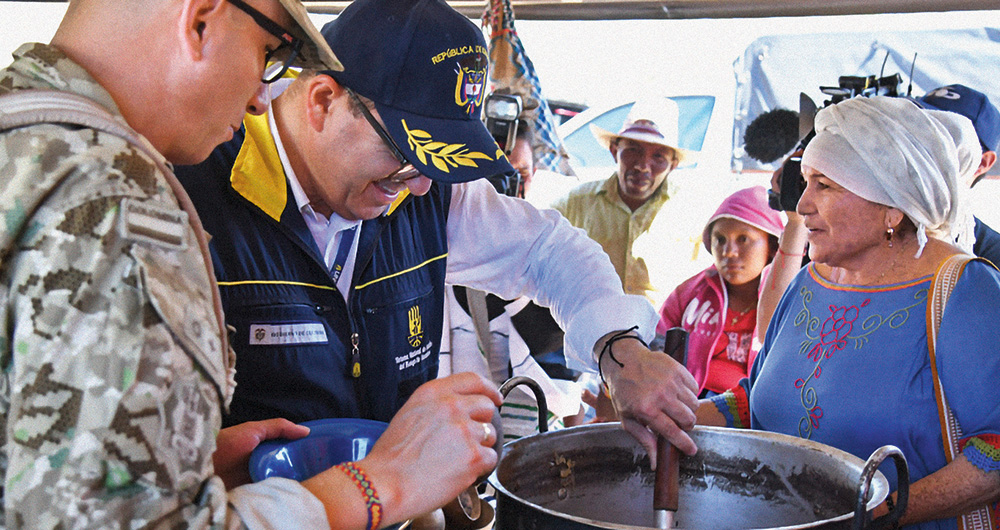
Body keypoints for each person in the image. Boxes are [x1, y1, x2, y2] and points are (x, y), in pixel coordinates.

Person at [0, 0, 506, 528]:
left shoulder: (30, 148)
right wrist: (379, 483)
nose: (261, 101)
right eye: (268, 54)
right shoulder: (117, 204)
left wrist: (185, 459)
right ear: (200, 22)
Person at [174, 0, 700, 464]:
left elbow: (550, 250)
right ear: (323, 101)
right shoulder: (192, 188)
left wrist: (619, 352)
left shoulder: (423, 194)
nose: (422, 188)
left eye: (439, 164)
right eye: (408, 155)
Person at [699, 96, 1000, 530]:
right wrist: (674, 414)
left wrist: (878, 515)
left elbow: (994, 449)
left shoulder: (964, 292)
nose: (802, 205)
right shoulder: (810, 283)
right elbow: (757, 400)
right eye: (805, 183)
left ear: (892, 207)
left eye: (824, 185)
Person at [757, 84, 1000, 338]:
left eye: (938, 133)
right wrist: (795, 219)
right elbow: (772, 337)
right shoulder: (837, 252)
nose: (911, 143)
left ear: (982, 162)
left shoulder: (983, 273)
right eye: (909, 122)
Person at [552, 98, 707, 307]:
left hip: (659, 333)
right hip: (591, 327)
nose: (643, 166)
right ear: (615, 151)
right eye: (633, 150)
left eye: (658, 157)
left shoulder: (691, 213)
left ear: (673, 165)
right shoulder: (574, 204)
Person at [656, 186, 783, 397]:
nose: (729, 252)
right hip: (686, 401)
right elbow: (656, 345)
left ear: (771, 245)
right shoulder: (690, 293)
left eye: (743, 239)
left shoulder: (786, 297)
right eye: (720, 239)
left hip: (754, 410)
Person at [918, 84, 1000, 264]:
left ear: (981, 163)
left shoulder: (991, 259)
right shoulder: (871, 225)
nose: (919, 142)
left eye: (943, 135)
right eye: (916, 124)